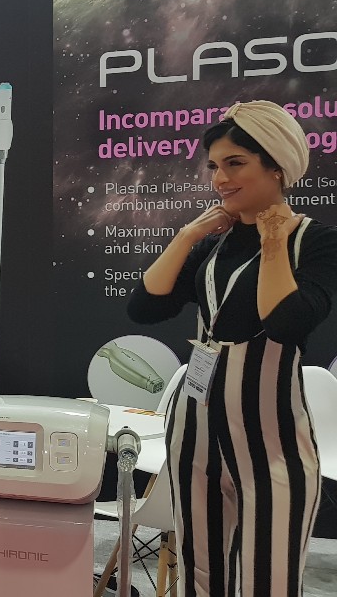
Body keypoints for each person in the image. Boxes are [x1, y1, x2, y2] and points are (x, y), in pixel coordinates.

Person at [127, 101, 337, 597]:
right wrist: (189, 234)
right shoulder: (213, 244)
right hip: (192, 431)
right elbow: (144, 307)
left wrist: (273, 241)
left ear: (277, 167)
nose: (220, 179)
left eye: (235, 163)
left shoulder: (316, 242)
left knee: (268, 578)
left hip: (272, 440)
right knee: (199, 573)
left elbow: (285, 322)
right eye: (214, 166)